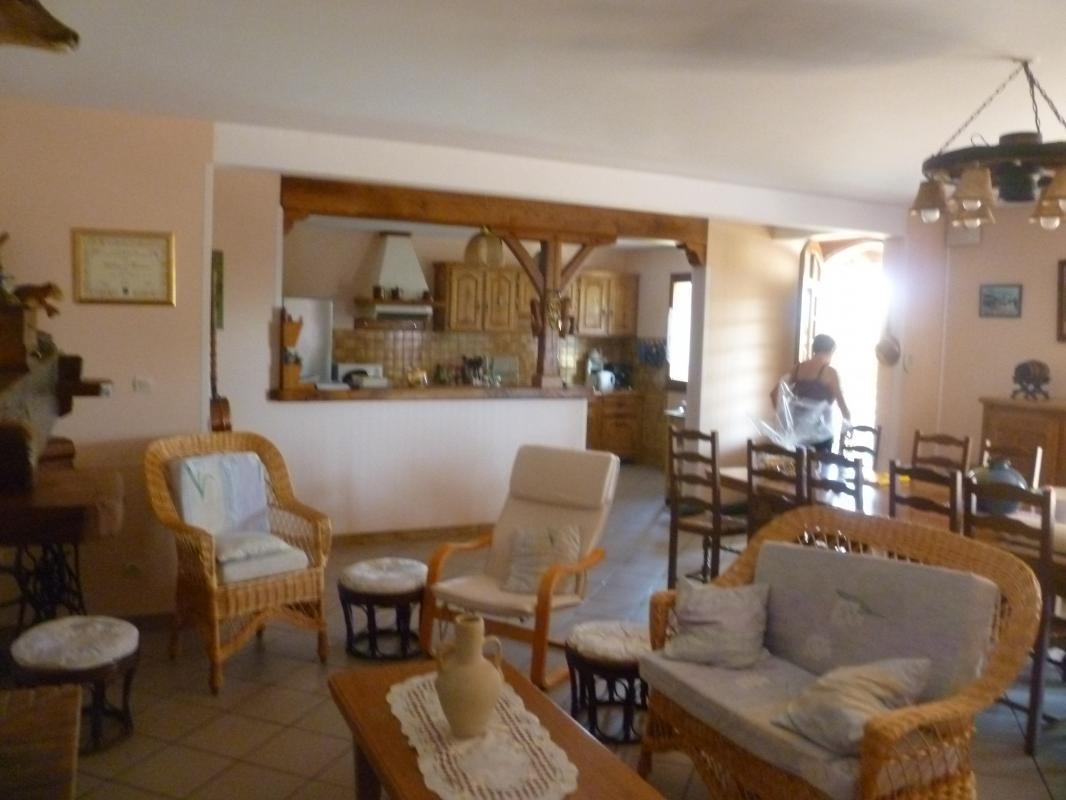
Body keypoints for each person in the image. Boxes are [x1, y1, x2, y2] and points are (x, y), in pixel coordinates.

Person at [770, 333, 851, 451]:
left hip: (797, 434)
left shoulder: (797, 369)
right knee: (819, 463)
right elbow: (842, 406)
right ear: (830, 351)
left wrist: (784, 420)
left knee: (797, 462)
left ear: (814, 349)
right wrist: (848, 425)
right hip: (820, 435)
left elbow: (774, 394)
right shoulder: (830, 373)